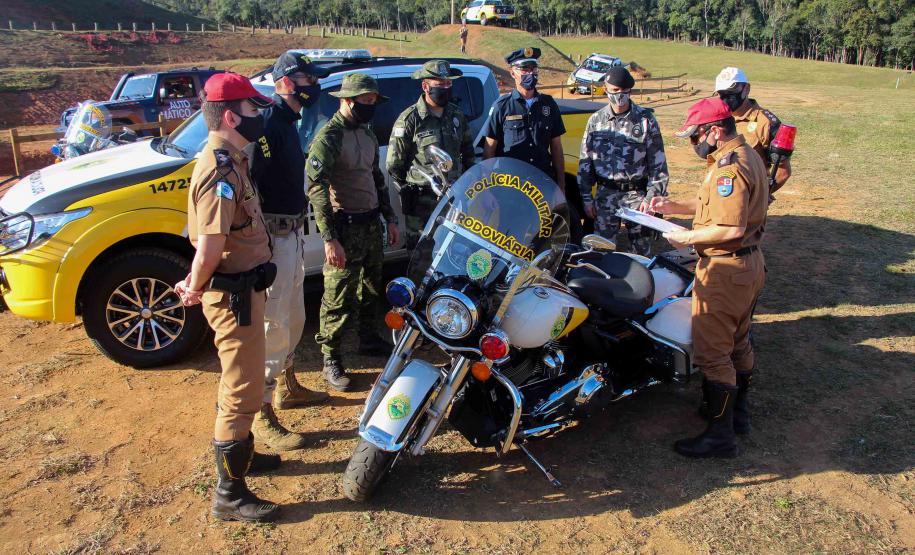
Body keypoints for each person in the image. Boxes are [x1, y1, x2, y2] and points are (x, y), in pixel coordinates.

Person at [174, 72, 280, 521]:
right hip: (232, 298)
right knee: (240, 387)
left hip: (248, 289)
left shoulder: (232, 159)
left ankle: (244, 457)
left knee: (248, 380)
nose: (261, 116)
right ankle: (229, 494)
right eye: (255, 109)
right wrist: (193, 288)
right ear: (233, 115)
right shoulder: (218, 168)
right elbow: (210, 247)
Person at [649, 97, 768, 459]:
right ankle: (738, 415)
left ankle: (720, 436)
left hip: (725, 270)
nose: (692, 144)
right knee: (738, 341)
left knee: (713, 353)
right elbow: (715, 207)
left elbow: (729, 226)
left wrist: (686, 237)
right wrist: (673, 208)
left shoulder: (727, 171)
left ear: (714, 131)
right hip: (748, 266)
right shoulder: (746, 156)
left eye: (694, 136)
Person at [249, 52, 331, 452]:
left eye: (311, 77)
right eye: (302, 77)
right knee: (272, 323)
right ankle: (262, 412)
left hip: (293, 234)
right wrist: (259, 242)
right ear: (283, 82)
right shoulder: (267, 123)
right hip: (272, 238)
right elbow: (252, 188)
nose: (310, 84)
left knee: (294, 316)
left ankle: (287, 385)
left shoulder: (290, 122)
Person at [307, 73, 400, 391]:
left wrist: (390, 218)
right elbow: (316, 187)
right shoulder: (330, 137)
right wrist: (329, 238)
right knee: (337, 297)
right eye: (366, 101)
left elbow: (375, 177)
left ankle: (368, 339)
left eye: (374, 101)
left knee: (373, 288)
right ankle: (331, 358)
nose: (371, 106)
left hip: (371, 223)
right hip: (344, 227)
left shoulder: (367, 132)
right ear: (348, 100)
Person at [483, 47, 581, 241]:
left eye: (533, 69)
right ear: (513, 73)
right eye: (524, 69)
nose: (530, 74)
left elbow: (557, 149)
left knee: (540, 237)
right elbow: (489, 150)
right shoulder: (502, 107)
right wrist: (488, 190)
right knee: (509, 235)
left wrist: (560, 187)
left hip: (541, 185)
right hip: (511, 188)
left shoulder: (548, 105)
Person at [578, 66, 669, 255]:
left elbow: (658, 165)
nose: (620, 95)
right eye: (615, 91)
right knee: (600, 252)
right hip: (606, 196)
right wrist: (586, 198)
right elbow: (586, 161)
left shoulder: (645, 120)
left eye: (624, 91)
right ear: (605, 88)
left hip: (637, 197)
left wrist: (651, 198)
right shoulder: (596, 120)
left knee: (640, 253)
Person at [386, 60, 474, 248]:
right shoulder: (410, 119)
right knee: (422, 257)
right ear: (425, 86)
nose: (445, 88)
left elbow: (468, 154)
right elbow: (394, 165)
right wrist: (411, 190)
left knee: (454, 253)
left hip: (454, 202)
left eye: (448, 83)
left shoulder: (456, 115)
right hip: (422, 205)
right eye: (439, 84)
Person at [714, 67, 792, 197]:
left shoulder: (767, 123)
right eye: (721, 94)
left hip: (749, 202)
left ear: (746, 89)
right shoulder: (718, 117)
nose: (726, 99)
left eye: (731, 93)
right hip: (721, 191)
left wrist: (759, 197)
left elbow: (783, 171)